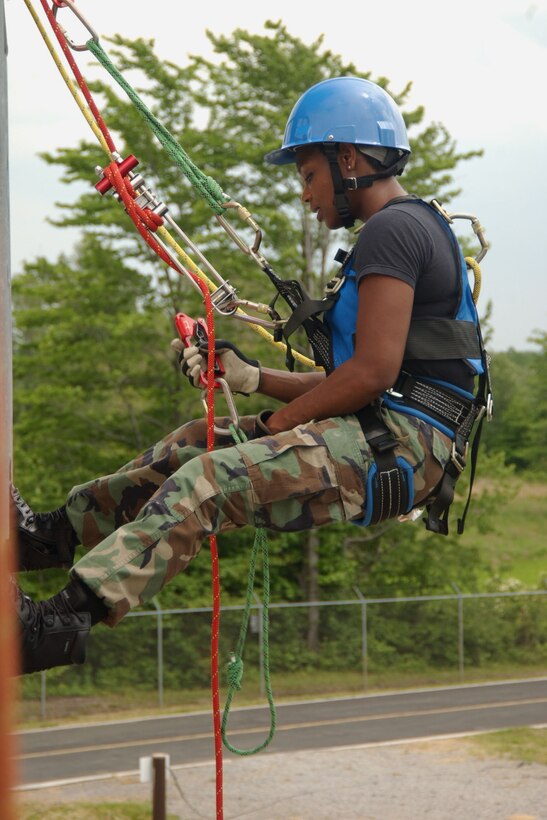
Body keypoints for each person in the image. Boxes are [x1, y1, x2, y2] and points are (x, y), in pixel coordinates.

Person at [15, 76, 488, 675]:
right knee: (195, 441)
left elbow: (371, 373)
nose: (305, 195)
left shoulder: (394, 230)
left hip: (405, 445)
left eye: (308, 174)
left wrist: (276, 425)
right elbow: (359, 379)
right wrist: (247, 377)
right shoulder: (404, 228)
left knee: (207, 482)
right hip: (388, 429)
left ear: (348, 160)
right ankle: (50, 534)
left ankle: (59, 624)